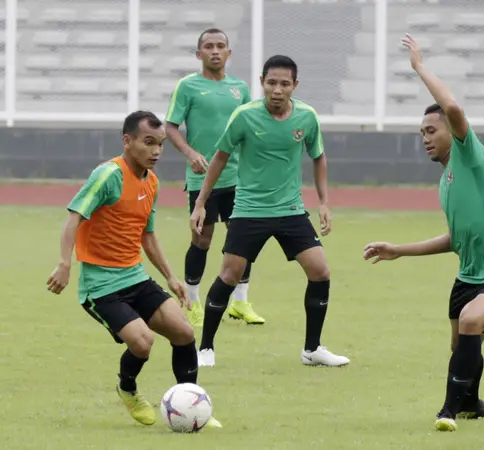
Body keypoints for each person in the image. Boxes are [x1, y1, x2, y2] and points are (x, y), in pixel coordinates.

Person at [362, 34, 484, 432]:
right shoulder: (445, 182)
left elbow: (451, 106)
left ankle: (447, 412)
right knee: (462, 346)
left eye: (431, 131)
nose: (425, 138)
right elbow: (455, 239)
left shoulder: (469, 156)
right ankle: (471, 402)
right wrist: (398, 249)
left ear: (450, 133)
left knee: (472, 322)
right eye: (421, 133)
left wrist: (419, 67)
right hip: (467, 278)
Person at [45, 111, 222, 429]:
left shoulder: (151, 182)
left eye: (161, 144)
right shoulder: (108, 175)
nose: (156, 151)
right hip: (100, 286)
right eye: (148, 143)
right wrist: (64, 263)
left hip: (135, 276)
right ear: (128, 141)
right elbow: (74, 217)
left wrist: (170, 276)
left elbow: (147, 234)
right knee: (142, 342)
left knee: (184, 332)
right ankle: (127, 388)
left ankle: (193, 405)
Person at [189, 54, 350, 369]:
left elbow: (318, 157)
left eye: (284, 84)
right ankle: (205, 348)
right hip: (249, 210)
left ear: (295, 85)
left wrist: (323, 201)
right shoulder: (244, 116)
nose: (277, 90)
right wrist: (200, 203)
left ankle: (312, 349)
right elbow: (220, 158)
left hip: (291, 210)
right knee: (229, 275)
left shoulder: (306, 117)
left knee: (321, 271)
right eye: (272, 82)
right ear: (262, 83)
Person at [165, 27, 265, 327]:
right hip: (202, 178)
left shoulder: (241, 89)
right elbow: (170, 127)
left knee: (242, 238)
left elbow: (250, 129)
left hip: (238, 178)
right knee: (202, 239)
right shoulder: (188, 86)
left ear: (229, 53)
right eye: (208, 46)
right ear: (199, 54)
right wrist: (190, 153)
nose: (215, 51)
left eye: (221, 46)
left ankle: (240, 302)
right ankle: (192, 302)